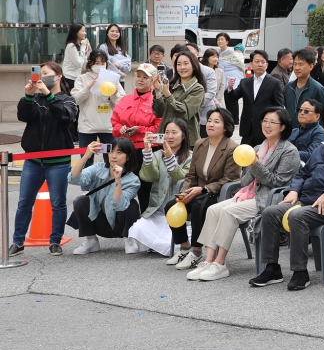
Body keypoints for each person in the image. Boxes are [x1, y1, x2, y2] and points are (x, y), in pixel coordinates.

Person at [250, 106, 324, 291]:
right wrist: (294, 190)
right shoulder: (322, 149)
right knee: (270, 212)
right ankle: (272, 268)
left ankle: (300, 272)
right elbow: (302, 174)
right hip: (306, 200)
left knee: (297, 217)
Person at [188, 108, 302, 281]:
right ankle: (208, 260)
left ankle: (220, 263)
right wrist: (251, 165)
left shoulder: (289, 151)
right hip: (248, 194)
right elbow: (244, 181)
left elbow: (277, 182)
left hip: (269, 197)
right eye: (265, 120)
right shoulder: (257, 147)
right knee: (213, 210)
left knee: (228, 212)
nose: (267, 125)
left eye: (272, 122)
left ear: (283, 127)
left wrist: (256, 164)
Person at [12, 62, 78, 257]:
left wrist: (49, 95)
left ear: (58, 76)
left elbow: (65, 116)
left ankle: (55, 241)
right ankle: (18, 241)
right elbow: (23, 115)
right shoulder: (36, 98)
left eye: (46, 73)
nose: (42, 77)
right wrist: (29, 96)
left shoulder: (68, 99)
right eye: (40, 74)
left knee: (58, 203)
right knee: (24, 202)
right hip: (33, 161)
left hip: (58, 162)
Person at [164, 108, 240, 271]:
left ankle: (197, 252)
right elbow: (191, 174)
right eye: (209, 120)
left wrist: (203, 189)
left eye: (216, 121)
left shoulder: (232, 148)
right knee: (171, 206)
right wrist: (184, 192)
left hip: (219, 194)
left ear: (226, 127)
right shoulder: (200, 144)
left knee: (199, 206)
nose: (210, 124)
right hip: (197, 190)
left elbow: (230, 179)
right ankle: (184, 248)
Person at [127, 119, 191, 256]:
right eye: (167, 132)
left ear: (184, 135)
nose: (170, 136)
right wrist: (147, 151)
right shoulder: (156, 154)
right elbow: (148, 177)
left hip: (180, 213)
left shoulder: (191, 157)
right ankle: (159, 246)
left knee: (173, 241)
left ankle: (162, 246)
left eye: (174, 132)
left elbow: (183, 181)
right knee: (137, 228)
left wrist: (169, 159)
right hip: (157, 211)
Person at [68, 138, 142, 254]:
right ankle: (91, 240)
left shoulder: (133, 180)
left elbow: (120, 204)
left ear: (128, 157)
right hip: (100, 222)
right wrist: (85, 157)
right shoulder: (99, 168)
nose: (113, 156)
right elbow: (74, 179)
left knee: (132, 205)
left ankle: (130, 238)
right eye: (111, 151)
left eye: (119, 152)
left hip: (119, 225)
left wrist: (118, 180)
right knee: (81, 201)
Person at [224, 49, 285, 147]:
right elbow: (233, 98)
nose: (260, 64)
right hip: (247, 128)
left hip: (265, 128)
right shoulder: (245, 82)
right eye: (257, 61)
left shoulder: (275, 83)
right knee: (243, 157)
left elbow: (279, 106)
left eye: (263, 62)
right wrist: (230, 89)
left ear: (267, 64)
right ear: (251, 64)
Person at [72, 49, 126, 148]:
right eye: (96, 62)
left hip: (108, 127)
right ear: (90, 63)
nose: (100, 65)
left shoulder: (112, 78)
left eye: (103, 62)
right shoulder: (82, 78)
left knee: (109, 157)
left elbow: (122, 104)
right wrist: (88, 87)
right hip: (87, 128)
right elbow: (75, 100)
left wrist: (114, 93)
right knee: (86, 159)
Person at [152, 49, 206, 144]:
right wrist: (158, 92)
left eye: (186, 63)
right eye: (179, 64)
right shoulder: (171, 85)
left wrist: (168, 94)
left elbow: (184, 113)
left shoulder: (198, 88)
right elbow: (159, 112)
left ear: (194, 66)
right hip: (165, 138)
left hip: (186, 140)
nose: (182, 67)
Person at [111, 63, 161, 150]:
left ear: (153, 80)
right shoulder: (124, 100)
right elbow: (114, 122)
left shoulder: (157, 102)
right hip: (125, 148)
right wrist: (120, 128)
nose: (140, 80)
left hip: (148, 149)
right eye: (138, 76)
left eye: (145, 77)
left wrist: (139, 129)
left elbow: (159, 127)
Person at [283, 47, 324, 126]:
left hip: (311, 134)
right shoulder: (288, 87)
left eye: (301, 64)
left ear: (311, 67)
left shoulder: (318, 88)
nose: (297, 68)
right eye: (295, 64)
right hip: (291, 133)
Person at [61, 24, 91, 93]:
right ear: (76, 32)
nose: (85, 33)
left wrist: (88, 51)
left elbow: (83, 64)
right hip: (69, 78)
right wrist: (83, 48)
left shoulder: (78, 46)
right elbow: (79, 64)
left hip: (75, 78)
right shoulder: (71, 46)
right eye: (83, 31)